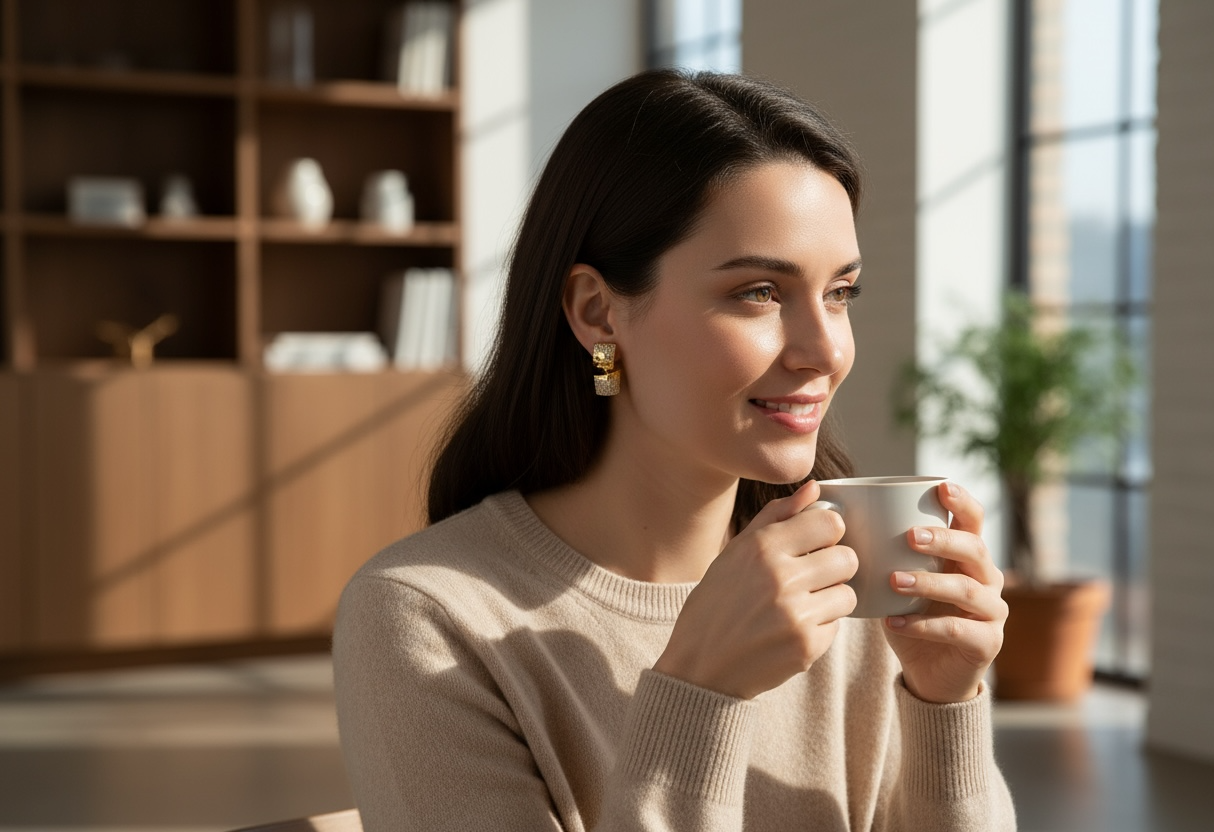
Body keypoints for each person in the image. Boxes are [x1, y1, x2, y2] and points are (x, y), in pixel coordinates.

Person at [332, 69, 1015, 831]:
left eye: (839, 293)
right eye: (759, 292)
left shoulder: (856, 584)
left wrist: (944, 705)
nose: (826, 351)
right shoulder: (425, 616)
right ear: (598, 313)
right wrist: (699, 697)